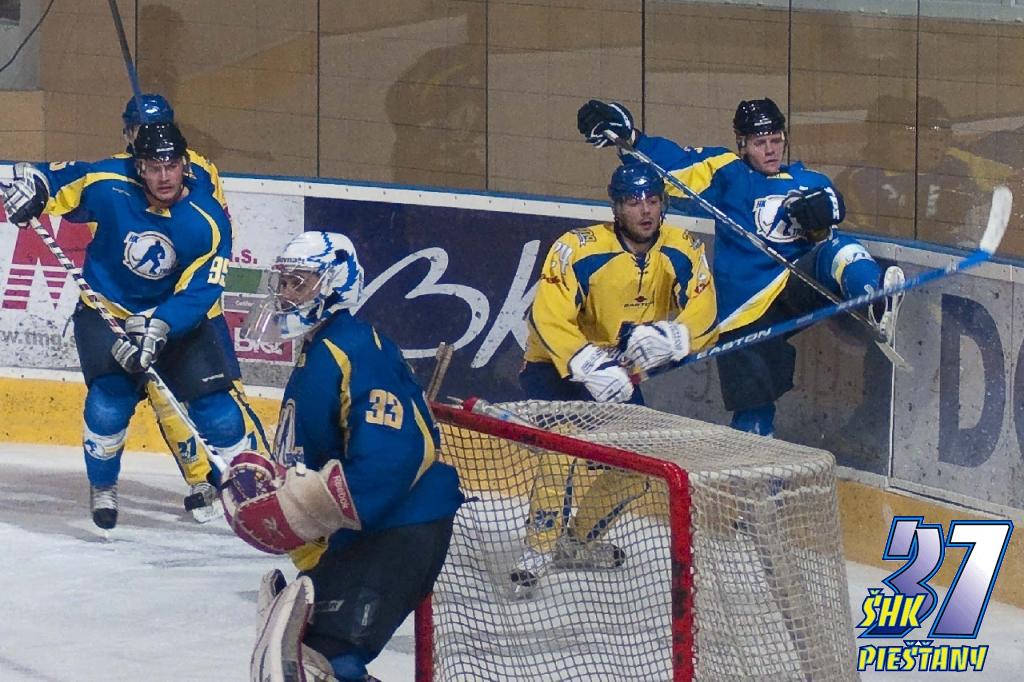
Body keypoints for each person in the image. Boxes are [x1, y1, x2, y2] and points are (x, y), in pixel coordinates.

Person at [577, 97, 906, 437]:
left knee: (840, 249)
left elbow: (831, 215)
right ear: (743, 144)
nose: (770, 150)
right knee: (753, 414)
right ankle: (756, 463)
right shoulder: (726, 172)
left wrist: (827, 210)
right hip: (744, 309)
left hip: (796, 285)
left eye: (776, 140)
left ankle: (875, 301)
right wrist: (632, 139)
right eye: (760, 142)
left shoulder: (810, 181)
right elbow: (674, 165)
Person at [220, 231, 464, 682]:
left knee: (325, 662)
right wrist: (282, 484)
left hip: (400, 528)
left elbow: (396, 457)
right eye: (284, 282)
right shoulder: (319, 349)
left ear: (336, 284)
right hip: (367, 533)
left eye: (299, 283)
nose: (286, 294)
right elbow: (323, 453)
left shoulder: (352, 348)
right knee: (309, 656)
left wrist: (298, 509)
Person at [0, 121, 252, 531]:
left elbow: (201, 291)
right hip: (109, 312)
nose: (164, 176)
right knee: (107, 403)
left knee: (219, 412)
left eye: (171, 165)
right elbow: (54, 179)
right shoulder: (108, 183)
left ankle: (253, 489)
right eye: (153, 167)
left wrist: (160, 326)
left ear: (185, 165)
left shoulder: (208, 220)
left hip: (175, 319)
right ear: (139, 168)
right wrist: (35, 188)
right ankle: (103, 486)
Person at [512, 162, 718, 596]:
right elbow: (547, 316)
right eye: (633, 202)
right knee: (562, 450)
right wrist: (587, 363)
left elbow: (704, 309)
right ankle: (537, 550)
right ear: (616, 207)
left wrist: (677, 335)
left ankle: (577, 542)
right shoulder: (577, 248)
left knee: (641, 466)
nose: (645, 211)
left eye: (653, 200)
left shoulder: (682, 248)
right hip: (556, 368)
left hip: (618, 376)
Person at [117, 93, 269, 522]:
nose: (142, 135)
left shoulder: (198, 169)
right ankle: (203, 480)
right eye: (136, 129)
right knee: (166, 398)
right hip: (145, 310)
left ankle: (249, 476)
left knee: (220, 396)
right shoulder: (118, 173)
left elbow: (209, 233)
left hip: (196, 309)